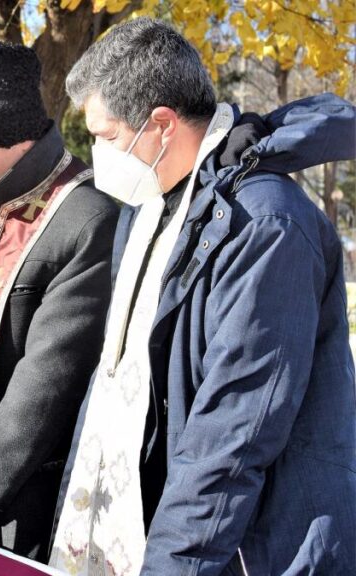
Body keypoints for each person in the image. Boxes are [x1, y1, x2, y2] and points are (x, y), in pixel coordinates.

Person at [50, 19, 356, 575]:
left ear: (161, 124)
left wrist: (172, 565)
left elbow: (236, 432)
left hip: (250, 546)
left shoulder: (264, 225)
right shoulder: (150, 204)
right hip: (156, 516)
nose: (97, 154)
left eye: (107, 136)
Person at [0, 43, 119, 563]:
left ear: (18, 140)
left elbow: (54, 369)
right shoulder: (1, 201)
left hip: (19, 486)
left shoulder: (86, 216)